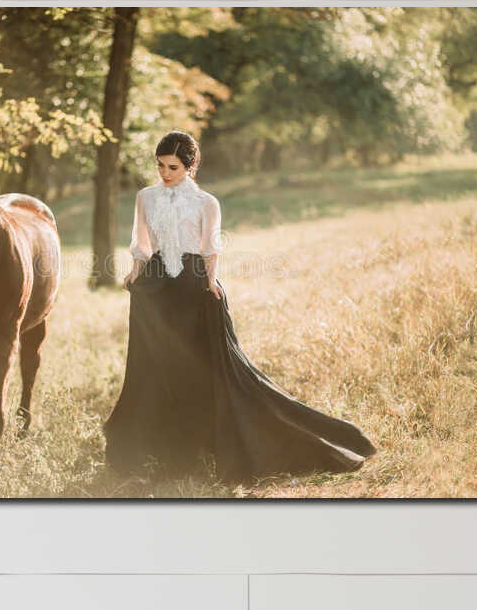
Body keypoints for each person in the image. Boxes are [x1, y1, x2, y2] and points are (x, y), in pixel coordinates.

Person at [102, 131, 375, 482]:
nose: (164, 173)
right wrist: (134, 275)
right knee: (154, 365)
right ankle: (159, 445)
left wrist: (211, 282)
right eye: (160, 165)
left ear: (190, 166)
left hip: (192, 285)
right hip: (154, 289)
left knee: (205, 367)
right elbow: (140, 243)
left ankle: (208, 441)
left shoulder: (206, 203)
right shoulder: (146, 197)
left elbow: (210, 249)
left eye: (172, 166)